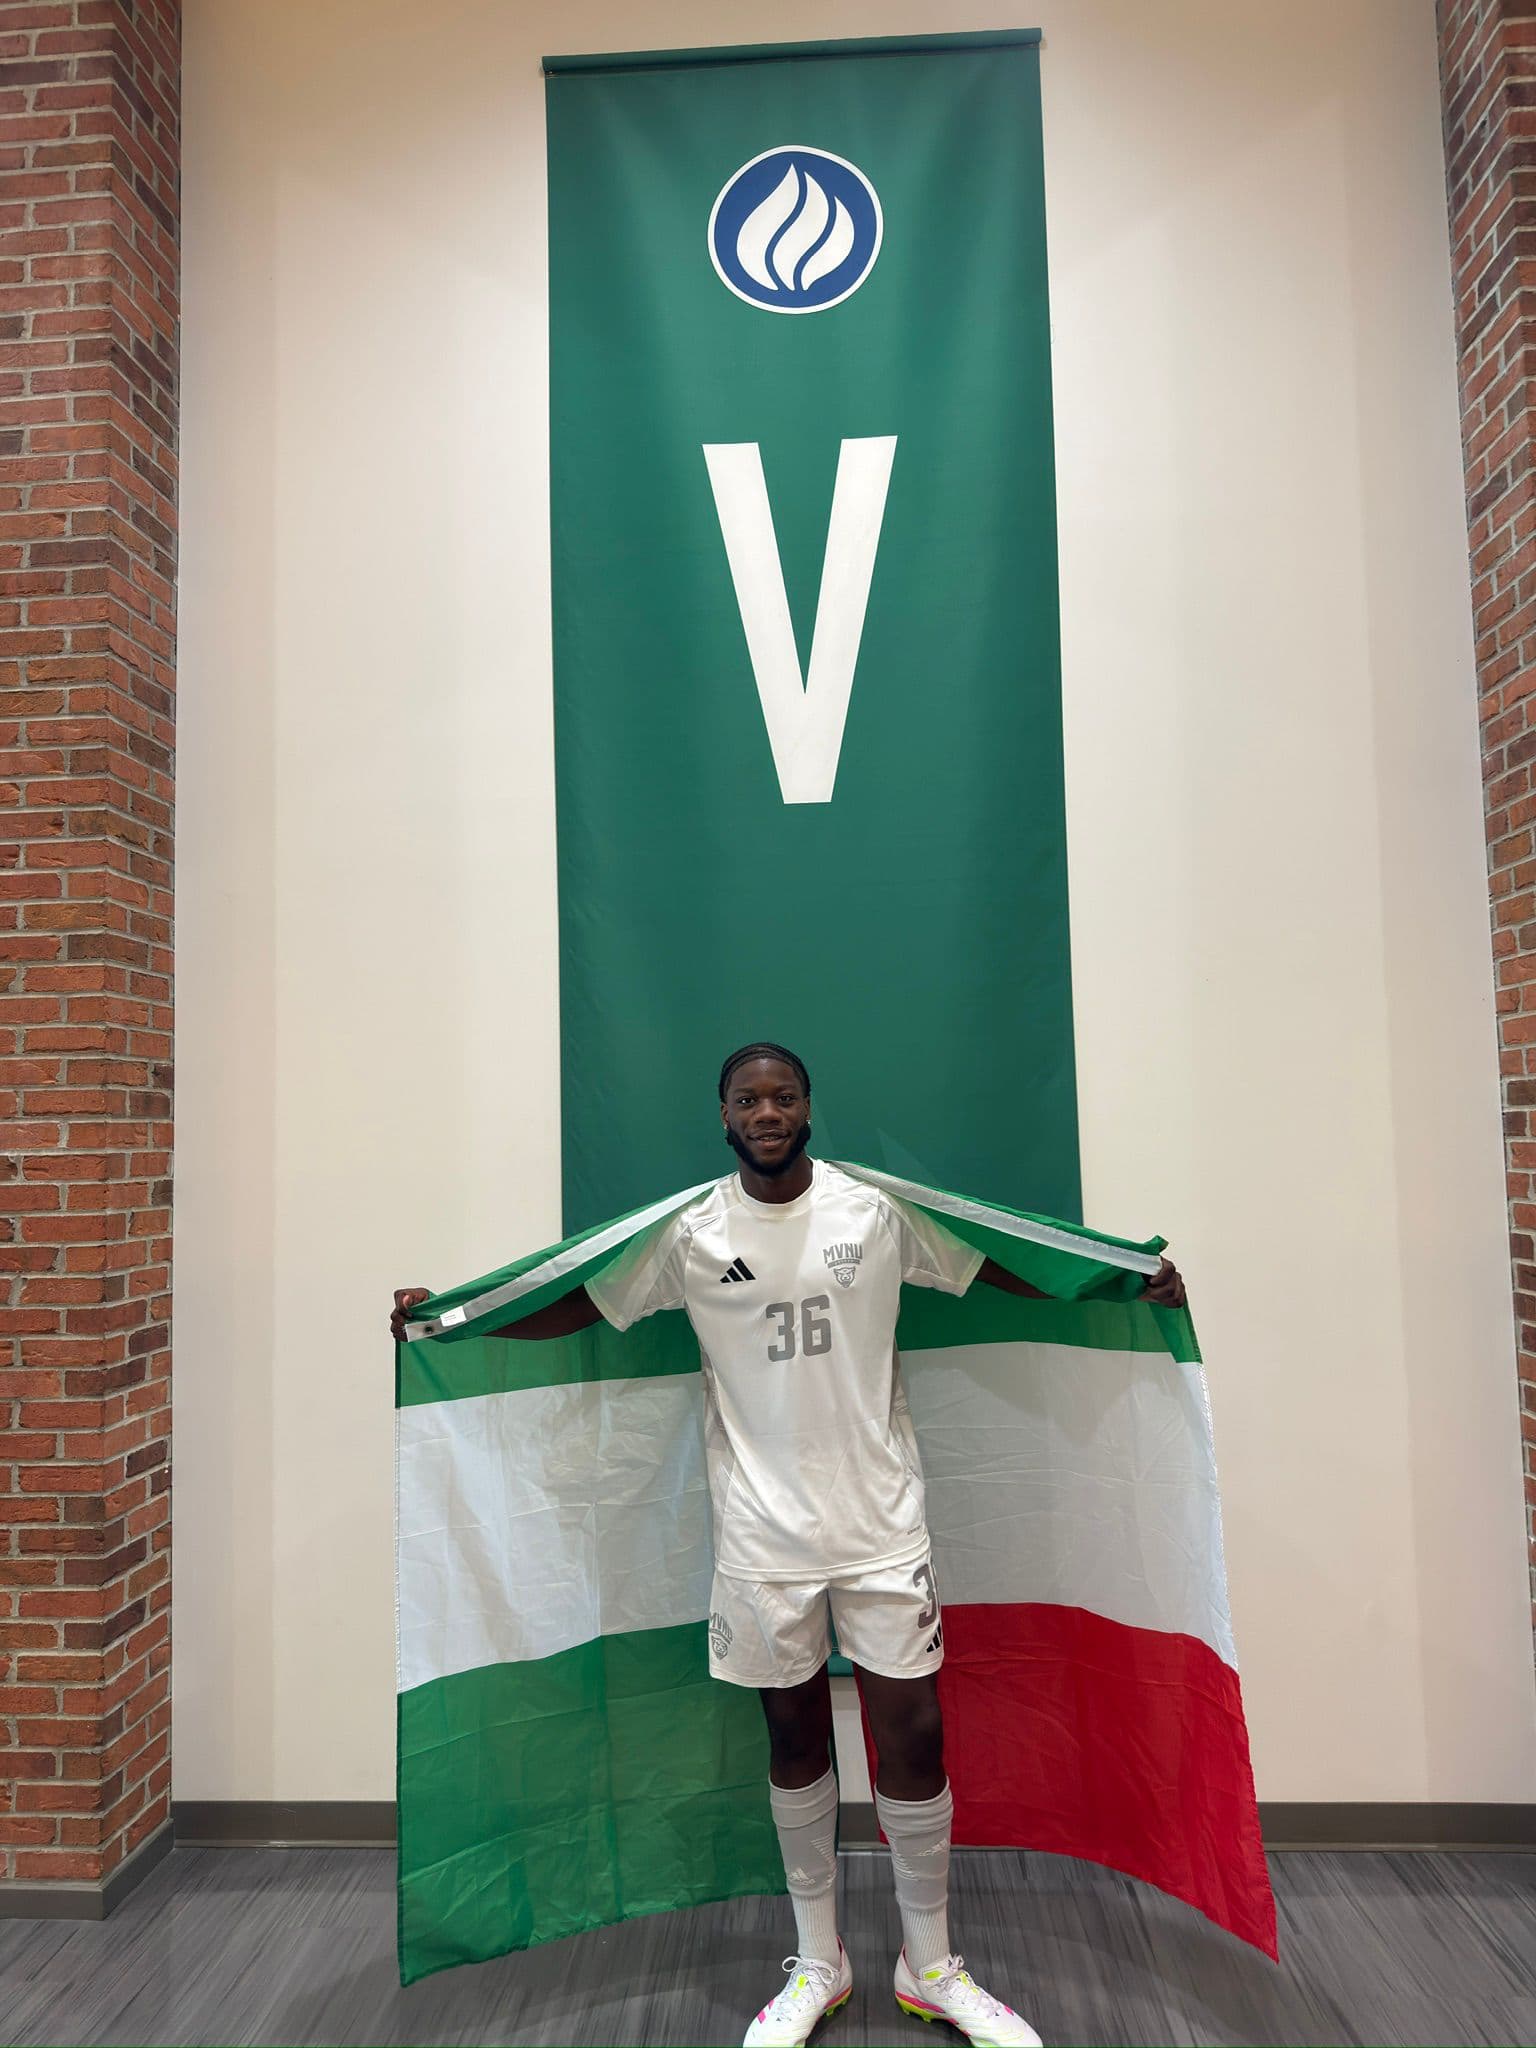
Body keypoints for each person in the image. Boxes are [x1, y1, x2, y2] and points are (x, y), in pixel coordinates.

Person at [392, 1042, 1185, 2048]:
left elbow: (1001, 1262)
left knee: (913, 1734)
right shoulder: (691, 1233)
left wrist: (1121, 1284)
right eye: (747, 1097)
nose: (767, 1110)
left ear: (811, 1104)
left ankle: (930, 1963)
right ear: (721, 1115)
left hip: (879, 1523)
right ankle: (821, 1960)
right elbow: (578, 1300)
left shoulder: (874, 1213)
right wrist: (450, 1322)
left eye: (783, 1093)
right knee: (796, 1737)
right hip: (763, 1535)